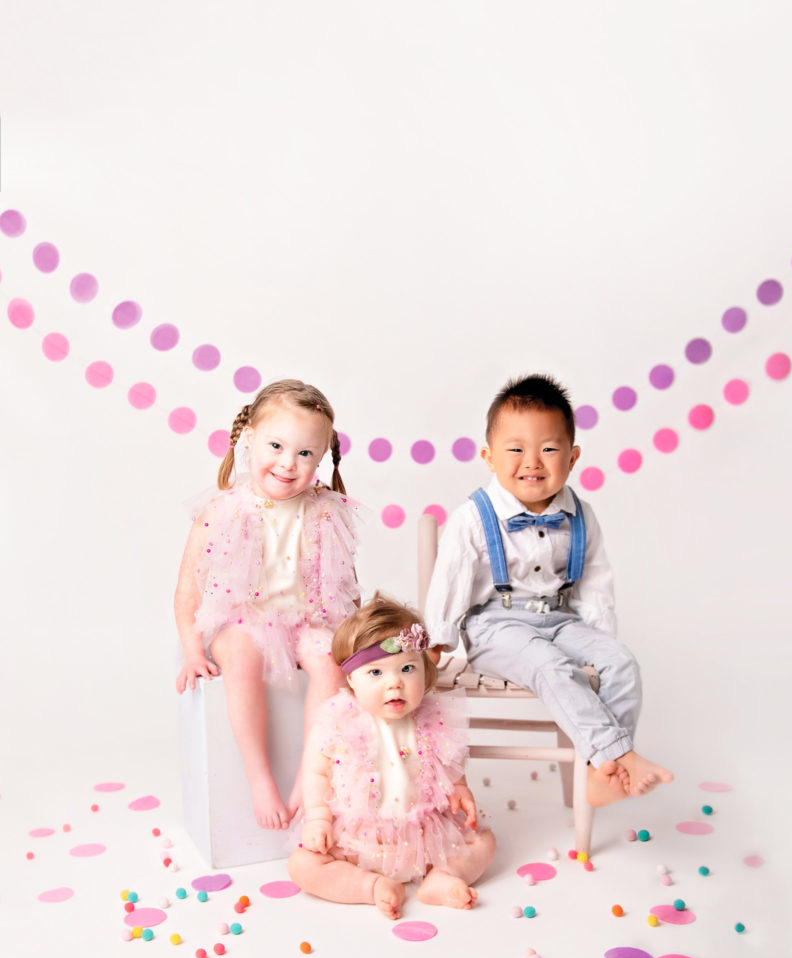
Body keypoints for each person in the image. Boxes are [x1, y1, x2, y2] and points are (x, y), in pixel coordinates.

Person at [424, 374, 673, 809]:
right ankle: (618, 757)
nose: (532, 461)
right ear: (488, 456)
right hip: (495, 626)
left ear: (573, 457)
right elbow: (451, 579)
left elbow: (595, 579)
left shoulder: (580, 514)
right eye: (516, 449)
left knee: (621, 664)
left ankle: (600, 774)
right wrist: (438, 640)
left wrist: (598, 640)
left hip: (562, 619)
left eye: (550, 449)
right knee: (550, 665)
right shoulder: (473, 517)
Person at [174, 379, 360, 830]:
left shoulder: (324, 511)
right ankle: (259, 776)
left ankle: (308, 773)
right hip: (242, 620)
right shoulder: (222, 510)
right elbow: (187, 591)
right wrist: (192, 651)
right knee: (240, 654)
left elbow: (346, 586)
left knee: (329, 661)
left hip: (304, 620)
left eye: (304, 454)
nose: (288, 463)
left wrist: (355, 642)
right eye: (276, 445)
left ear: (321, 458)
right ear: (250, 439)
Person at [288, 595, 496, 919]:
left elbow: (451, 762)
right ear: (351, 680)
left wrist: (460, 788)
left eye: (407, 668)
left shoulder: (433, 718)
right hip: (358, 842)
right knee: (303, 865)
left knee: (484, 842)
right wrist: (317, 818)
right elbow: (316, 772)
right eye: (376, 673)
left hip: (425, 836)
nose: (395, 683)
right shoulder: (336, 721)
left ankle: (442, 878)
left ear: (425, 673)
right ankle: (369, 886)